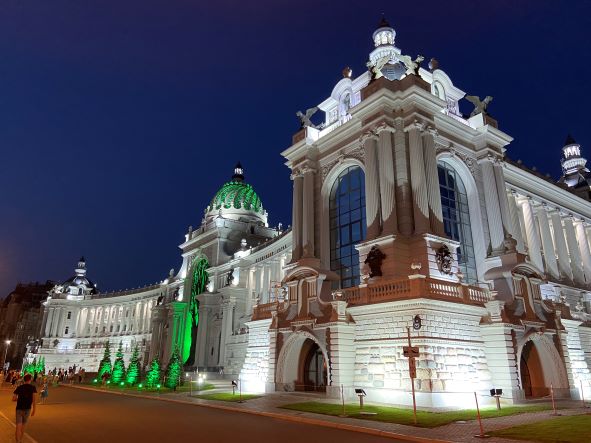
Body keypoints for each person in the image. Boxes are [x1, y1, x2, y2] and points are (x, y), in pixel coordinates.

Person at [12, 373, 37, 443]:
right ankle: (20, 440)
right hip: (27, 409)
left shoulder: (19, 387)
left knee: (18, 427)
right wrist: (34, 410)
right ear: (30, 379)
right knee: (23, 427)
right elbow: (34, 400)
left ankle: (18, 441)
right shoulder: (33, 388)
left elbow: (13, 399)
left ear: (24, 379)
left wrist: (19, 399)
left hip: (19, 408)